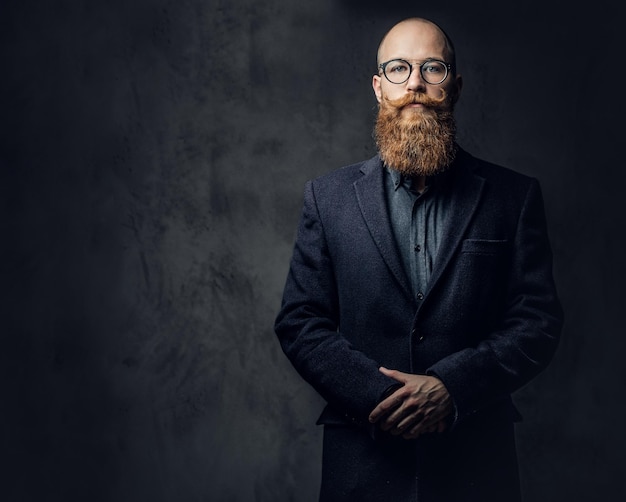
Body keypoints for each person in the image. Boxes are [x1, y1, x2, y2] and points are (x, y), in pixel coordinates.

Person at [274, 16, 563, 502]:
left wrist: (451, 388)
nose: (414, 83)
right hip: (362, 464)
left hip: (475, 466)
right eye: (398, 69)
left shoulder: (513, 197)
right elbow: (300, 322)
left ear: (455, 86)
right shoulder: (327, 199)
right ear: (378, 87)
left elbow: (537, 322)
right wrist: (383, 398)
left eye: (433, 68)